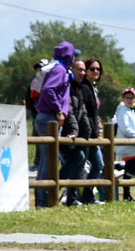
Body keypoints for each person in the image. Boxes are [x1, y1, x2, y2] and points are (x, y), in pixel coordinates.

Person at [34, 41, 78, 208]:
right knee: (49, 161)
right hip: (49, 118)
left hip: (45, 117)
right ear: (68, 55)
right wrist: (59, 109)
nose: (75, 58)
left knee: (47, 161)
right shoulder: (59, 69)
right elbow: (48, 90)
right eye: (74, 55)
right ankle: (44, 201)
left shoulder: (57, 68)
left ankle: (42, 200)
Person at [58, 59, 90, 207]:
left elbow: (82, 112)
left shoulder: (79, 88)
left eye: (84, 70)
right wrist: (74, 131)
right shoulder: (68, 86)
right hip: (63, 133)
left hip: (75, 134)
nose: (82, 73)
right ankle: (56, 182)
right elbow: (68, 110)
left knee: (80, 160)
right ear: (72, 70)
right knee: (79, 157)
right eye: (79, 69)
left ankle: (70, 197)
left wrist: (88, 132)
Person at [80, 57, 104, 204]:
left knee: (98, 164)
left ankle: (88, 196)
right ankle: (71, 196)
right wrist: (91, 131)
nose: (96, 71)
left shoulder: (92, 87)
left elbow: (94, 113)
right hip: (86, 134)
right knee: (81, 165)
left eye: (98, 69)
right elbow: (84, 113)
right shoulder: (84, 87)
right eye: (92, 69)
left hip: (93, 134)